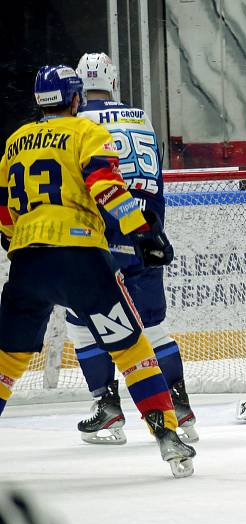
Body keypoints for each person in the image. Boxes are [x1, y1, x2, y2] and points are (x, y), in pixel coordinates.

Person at [0, 65, 195, 477]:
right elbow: (106, 187)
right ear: (75, 99)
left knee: (7, 360)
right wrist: (143, 233)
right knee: (131, 348)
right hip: (79, 260)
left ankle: (108, 407)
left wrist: (17, 238)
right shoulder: (86, 132)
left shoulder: (16, 141)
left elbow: (4, 211)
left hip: (27, 263)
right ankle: (168, 436)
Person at [70, 52, 197, 445]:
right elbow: (153, 175)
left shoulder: (76, 124)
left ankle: (107, 409)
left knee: (83, 323)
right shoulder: (141, 117)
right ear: (113, 80)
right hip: (145, 230)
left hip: (100, 232)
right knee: (153, 325)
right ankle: (179, 406)